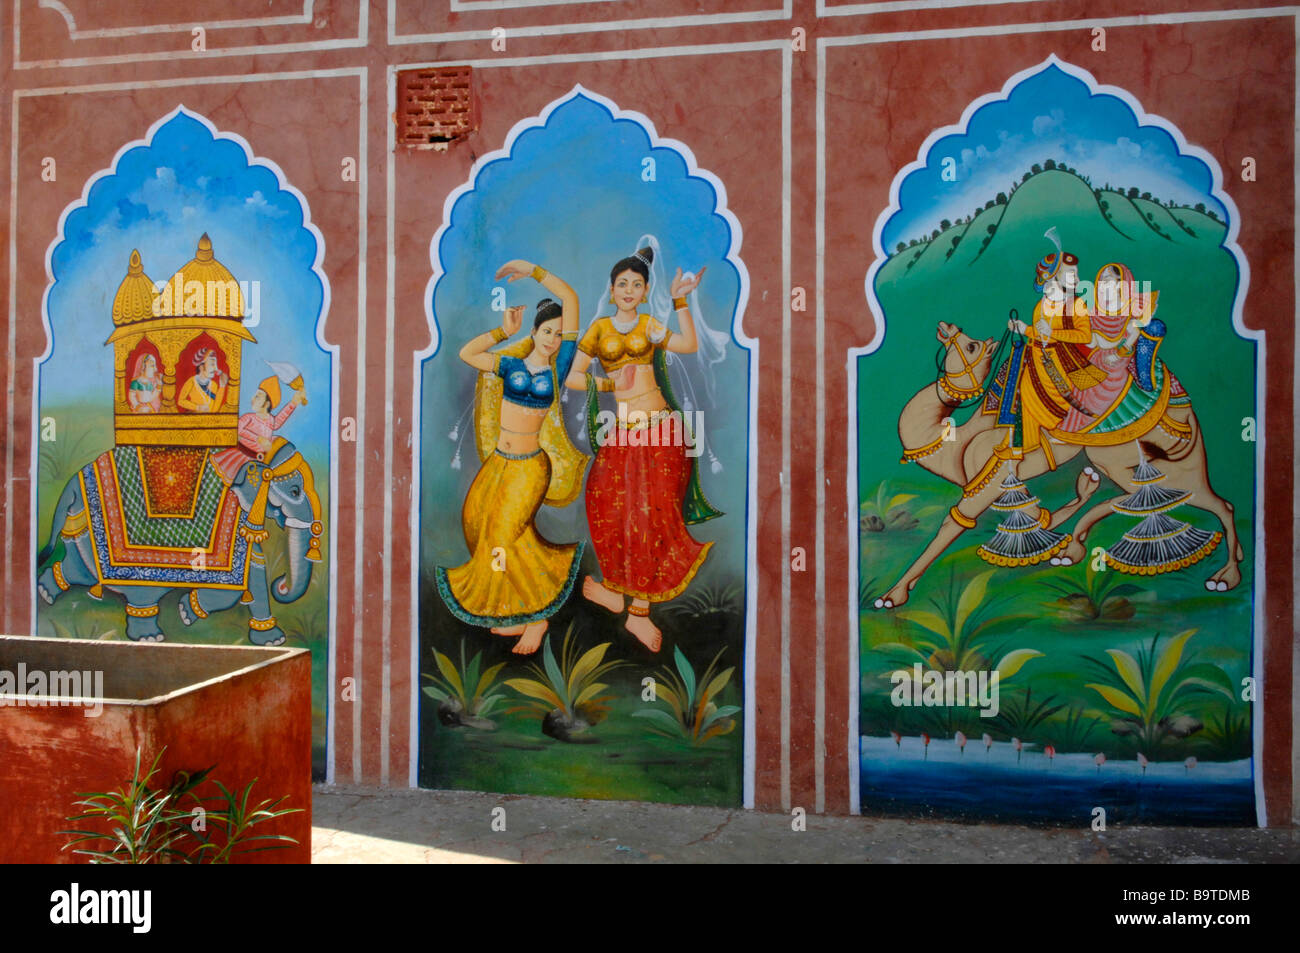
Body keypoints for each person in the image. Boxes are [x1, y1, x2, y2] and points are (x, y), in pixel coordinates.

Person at [564, 240, 716, 652]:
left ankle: (637, 612)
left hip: (661, 431)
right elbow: (573, 379)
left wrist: (680, 302)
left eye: (636, 284)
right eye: (622, 284)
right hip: (622, 434)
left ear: (645, 291)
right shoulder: (598, 330)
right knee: (607, 506)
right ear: (611, 290)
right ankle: (621, 595)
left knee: (651, 517)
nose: (629, 290)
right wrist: (611, 383)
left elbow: (688, 346)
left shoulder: (649, 324)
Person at [436, 260, 586, 656]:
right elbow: (468, 353)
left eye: (558, 333)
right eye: (547, 332)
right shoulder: (510, 364)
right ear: (534, 332)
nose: (553, 339)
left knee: (503, 534)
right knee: (479, 529)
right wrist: (503, 331)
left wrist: (535, 270)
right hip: (499, 464)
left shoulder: (560, 366)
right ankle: (514, 609)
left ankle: (537, 620)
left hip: (530, 467)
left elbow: (569, 298)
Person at [1004, 247, 1106, 465]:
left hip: (1063, 363)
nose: (1077, 279)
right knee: (1022, 393)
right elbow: (1040, 334)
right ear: (1053, 278)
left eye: (1076, 274)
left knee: (1040, 397)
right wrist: (1024, 329)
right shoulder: (1041, 305)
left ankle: (1056, 439)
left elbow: (1084, 335)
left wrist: (1053, 333)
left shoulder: (1077, 305)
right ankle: (1025, 447)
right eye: (1071, 275)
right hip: (1038, 360)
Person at [211, 374, 306, 482]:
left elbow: (279, 420)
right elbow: (238, 429)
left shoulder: (271, 420)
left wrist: (294, 402)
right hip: (242, 457)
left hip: (259, 462)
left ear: (266, 404)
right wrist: (257, 438)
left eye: (257, 396)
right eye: (254, 395)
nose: (252, 399)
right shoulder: (249, 418)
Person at [178, 347, 229, 413]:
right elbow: (181, 401)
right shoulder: (192, 382)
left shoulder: (214, 385)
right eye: (212, 364)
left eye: (216, 365)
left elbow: (214, 410)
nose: (216, 368)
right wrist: (197, 407)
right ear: (201, 367)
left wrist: (222, 387)